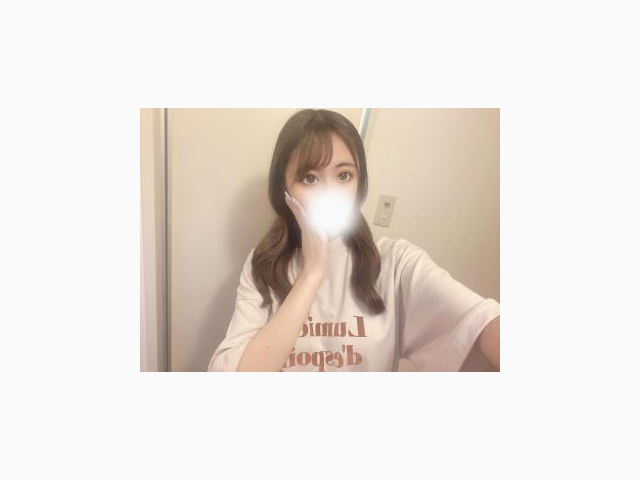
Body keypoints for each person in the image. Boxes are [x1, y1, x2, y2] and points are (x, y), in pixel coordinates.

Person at [207, 109, 500, 372]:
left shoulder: (395, 262)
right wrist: (313, 273)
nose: (330, 193)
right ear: (284, 189)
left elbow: (480, 320)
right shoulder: (263, 265)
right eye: (310, 178)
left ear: (359, 185)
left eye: (344, 175)